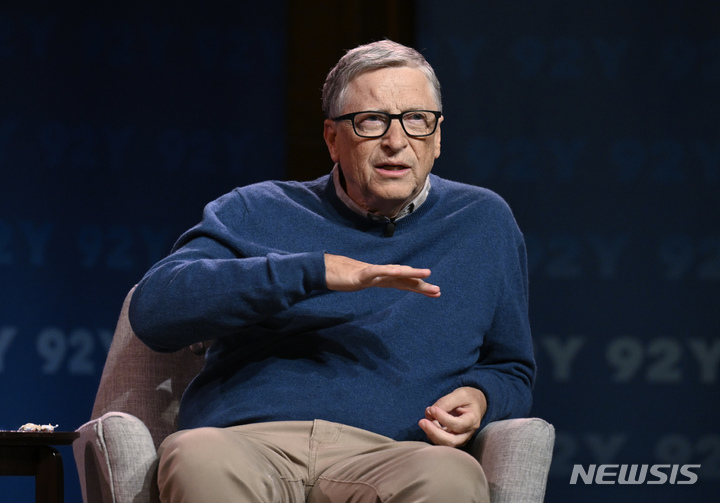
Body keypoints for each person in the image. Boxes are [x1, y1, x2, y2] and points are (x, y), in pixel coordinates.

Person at [129, 39, 535, 503]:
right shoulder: (255, 209)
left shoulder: (482, 221)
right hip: (247, 445)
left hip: (396, 454)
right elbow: (155, 310)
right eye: (371, 121)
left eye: (416, 119)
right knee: (196, 457)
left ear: (438, 136)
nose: (396, 141)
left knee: (452, 477)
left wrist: (482, 397)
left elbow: (511, 367)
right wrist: (312, 271)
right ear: (332, 139)